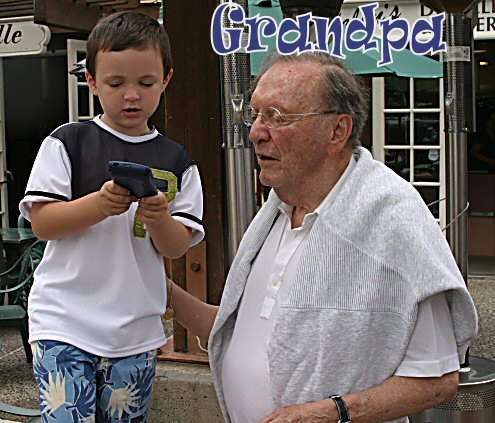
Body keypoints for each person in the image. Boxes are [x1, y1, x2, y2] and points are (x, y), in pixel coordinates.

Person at [168, 51, 478, 423]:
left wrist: (333, 413)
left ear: (337, 131)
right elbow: (241, 332)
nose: (255, 132)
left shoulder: (392, 218)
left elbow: (438, 379)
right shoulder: (276, 213)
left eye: (276, 117)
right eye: (254, 115)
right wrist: (159, 289)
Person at [19, 11, 204, 422]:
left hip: (136, 330)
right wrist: (99, 205)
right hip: (63, 322)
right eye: (116, 84)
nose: (131, 96)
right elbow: (43, 223)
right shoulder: (67, 142)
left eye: (146, 83)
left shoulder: (178, 161)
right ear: (91, 80)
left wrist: (158, 218)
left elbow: (177, 245)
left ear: (167, 80)